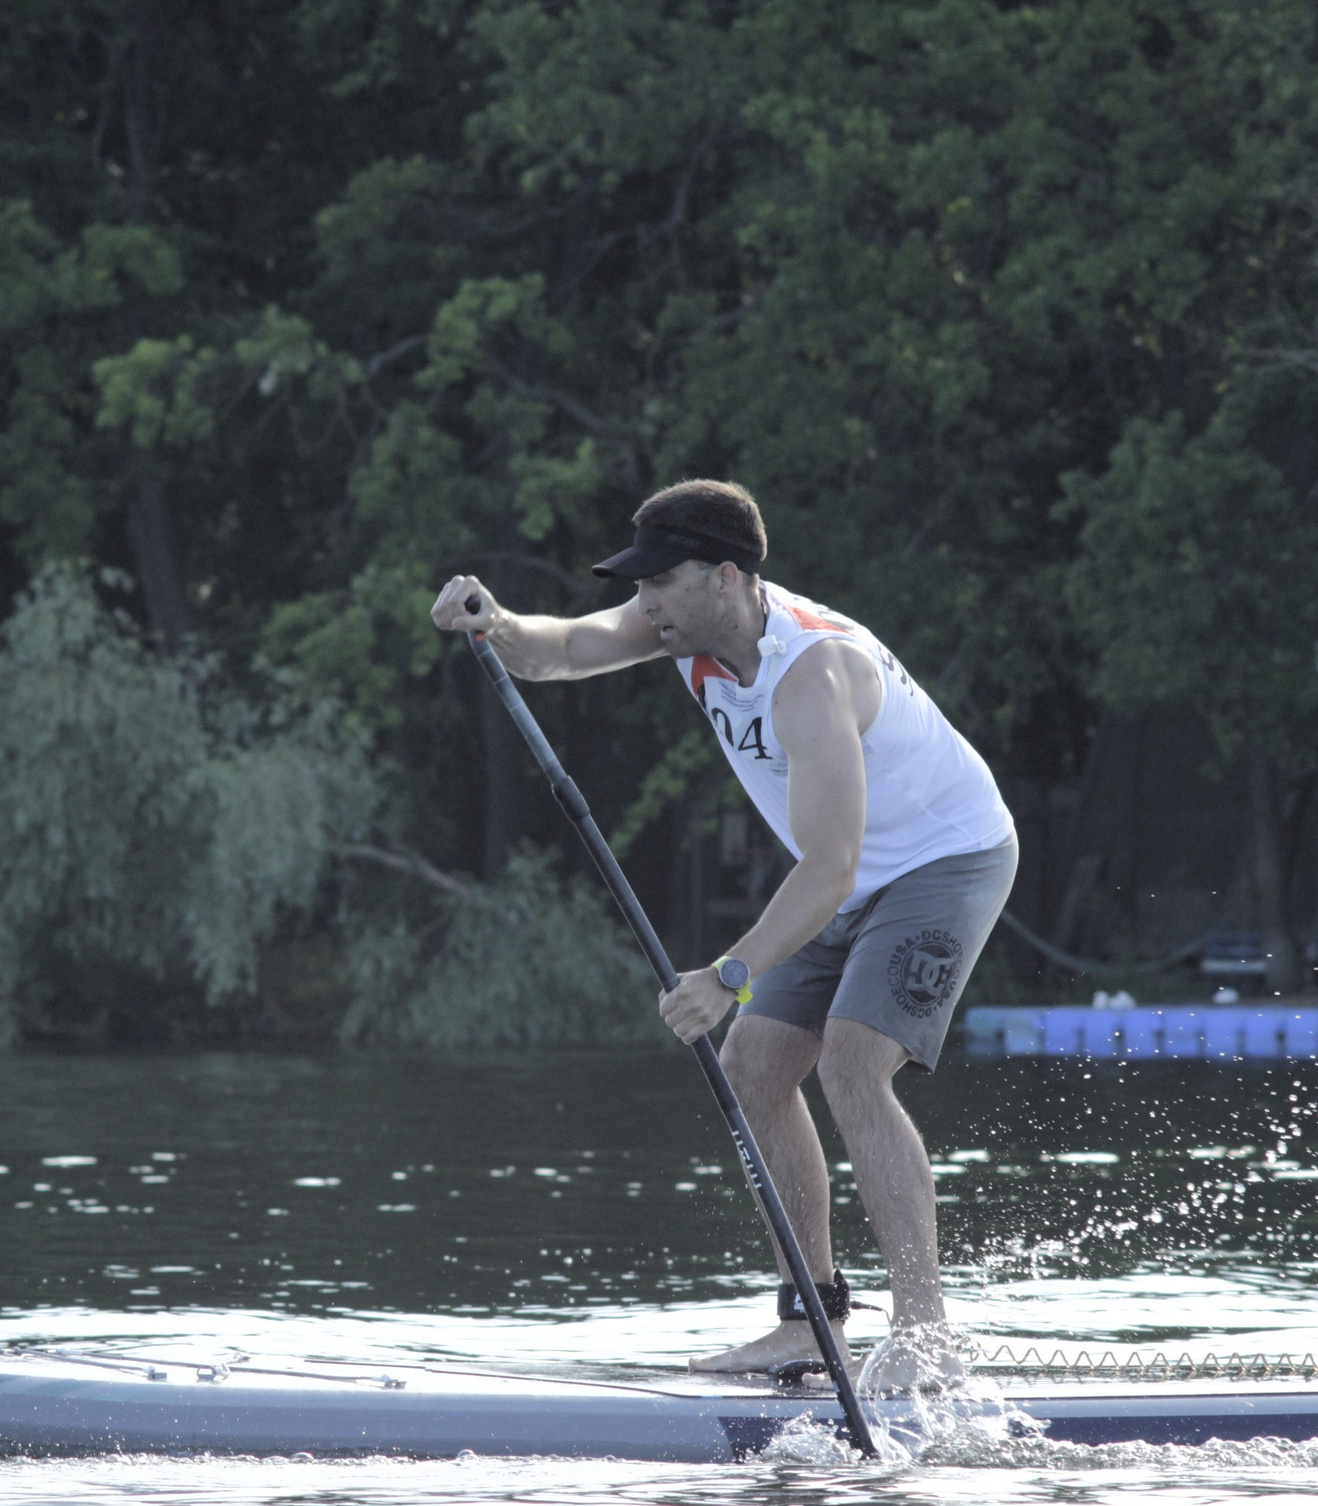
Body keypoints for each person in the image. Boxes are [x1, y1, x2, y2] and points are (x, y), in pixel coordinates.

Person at [431, 480, 1016, 1385]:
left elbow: (830, 868)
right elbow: (567, 651)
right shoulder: (687, 628)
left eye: (662, 581)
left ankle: (925, 1336)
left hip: (943, 860)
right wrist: (495, 621)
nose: (647, 601)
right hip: (841, 871)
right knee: (751, 1067)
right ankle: (809, 1323)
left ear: (727, 575)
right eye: (643, 583)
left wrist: (732, 971)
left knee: (853, 1062)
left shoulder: (815, 673)